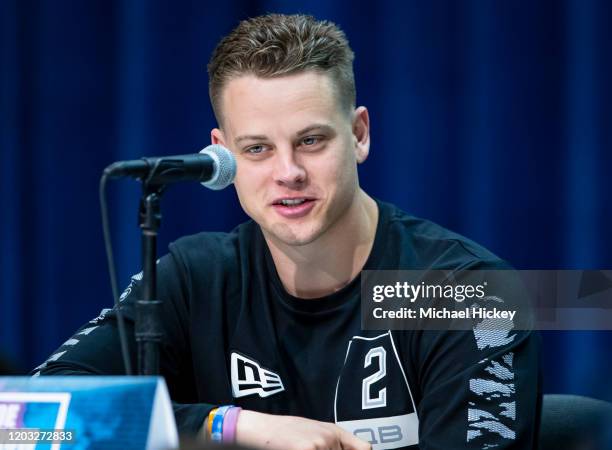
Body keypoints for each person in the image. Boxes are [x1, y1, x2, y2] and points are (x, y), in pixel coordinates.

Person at [33, 14, 540, 449]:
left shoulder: (466, 294)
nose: (288, 172)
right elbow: (25, 421)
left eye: (311, 140)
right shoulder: (198, 279)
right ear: (221, 153)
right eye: (257, 149)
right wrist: (235, 425)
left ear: (359, 134)